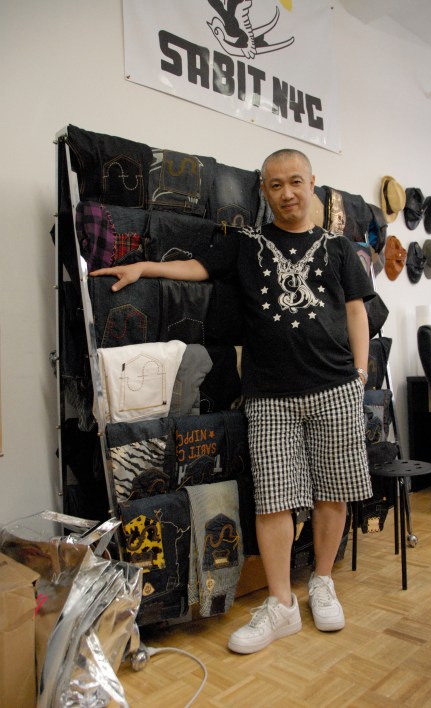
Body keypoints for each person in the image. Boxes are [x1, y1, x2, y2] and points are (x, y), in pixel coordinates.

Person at [91, 148, 374, 654]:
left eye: (295, 182)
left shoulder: (338, 249)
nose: (287, 193)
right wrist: (142, 267)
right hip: (268, 396)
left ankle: (323, 581)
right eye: (275, 185)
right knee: (273, 499)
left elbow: (356, 310)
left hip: (335, 387)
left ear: (312, 183)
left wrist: (360, 373)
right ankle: (282, 604)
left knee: (333, 491)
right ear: (264, 191)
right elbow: (197, 268)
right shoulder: (247, 245)